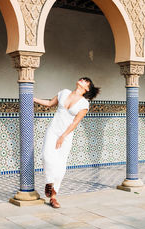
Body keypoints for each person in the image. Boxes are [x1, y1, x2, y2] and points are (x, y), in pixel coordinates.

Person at [33, 77, 100, 208]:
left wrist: (63, 136)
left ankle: (53, 196)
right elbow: (49, 103)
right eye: (82, 79)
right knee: (46, 156)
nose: (82, 80)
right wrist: (34, 99)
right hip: (53, 129)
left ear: (87, 88)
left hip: (66, 135)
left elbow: (75, 122)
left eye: (86, 81)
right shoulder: (64, 92)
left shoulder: (84, 104)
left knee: (60, 164)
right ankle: (49, 182)